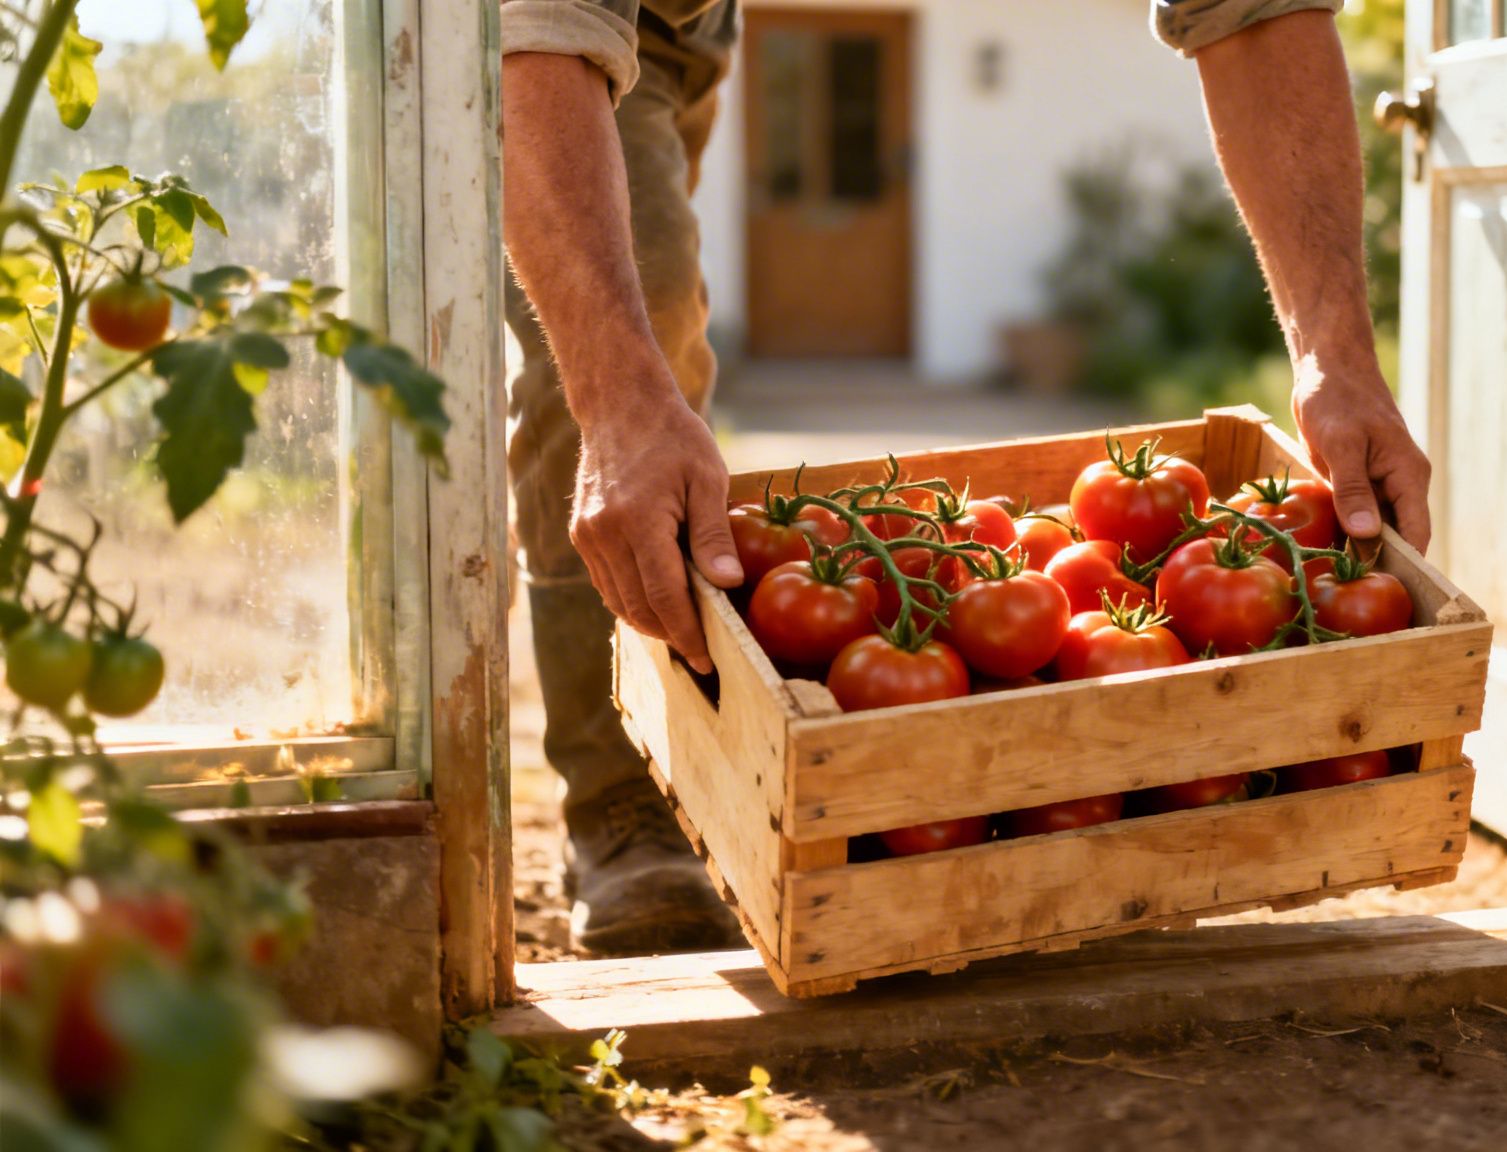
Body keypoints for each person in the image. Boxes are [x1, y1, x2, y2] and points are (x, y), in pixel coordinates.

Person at [500, 0, 1434, 954]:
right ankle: (622, 801)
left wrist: (1339, 363)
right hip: (599, 21)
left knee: (644, 321)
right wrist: (618, 409)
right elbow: (534, 37)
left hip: (690, 24)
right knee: (625, 334)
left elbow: (1256, 15)